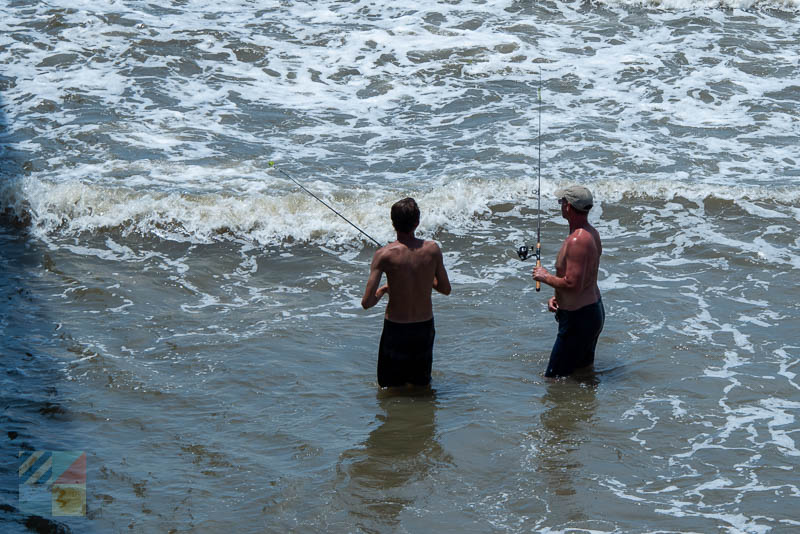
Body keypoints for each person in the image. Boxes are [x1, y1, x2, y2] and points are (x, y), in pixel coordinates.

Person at [361, 198, 451, 388]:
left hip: (396, 329)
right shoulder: (433, 250)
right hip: (423, 329)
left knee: (390, 388)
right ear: (417, 222)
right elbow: (445, 289)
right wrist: (426, 279)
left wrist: (384, 289)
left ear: (393, 223)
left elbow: (367, 302)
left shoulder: (383, 255)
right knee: (421, 387)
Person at [533, 185, 604, 378]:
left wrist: (544, 276)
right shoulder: (590, 233)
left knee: (554, 379)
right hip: (590, 312)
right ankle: (586, 406)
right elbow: (583, 279)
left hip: (579, 319)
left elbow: (573, 284)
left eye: (561, 201)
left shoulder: (577, 240)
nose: (560, 205)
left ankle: (563, 408)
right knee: (582, 373)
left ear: (569, 206)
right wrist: (558, 298)